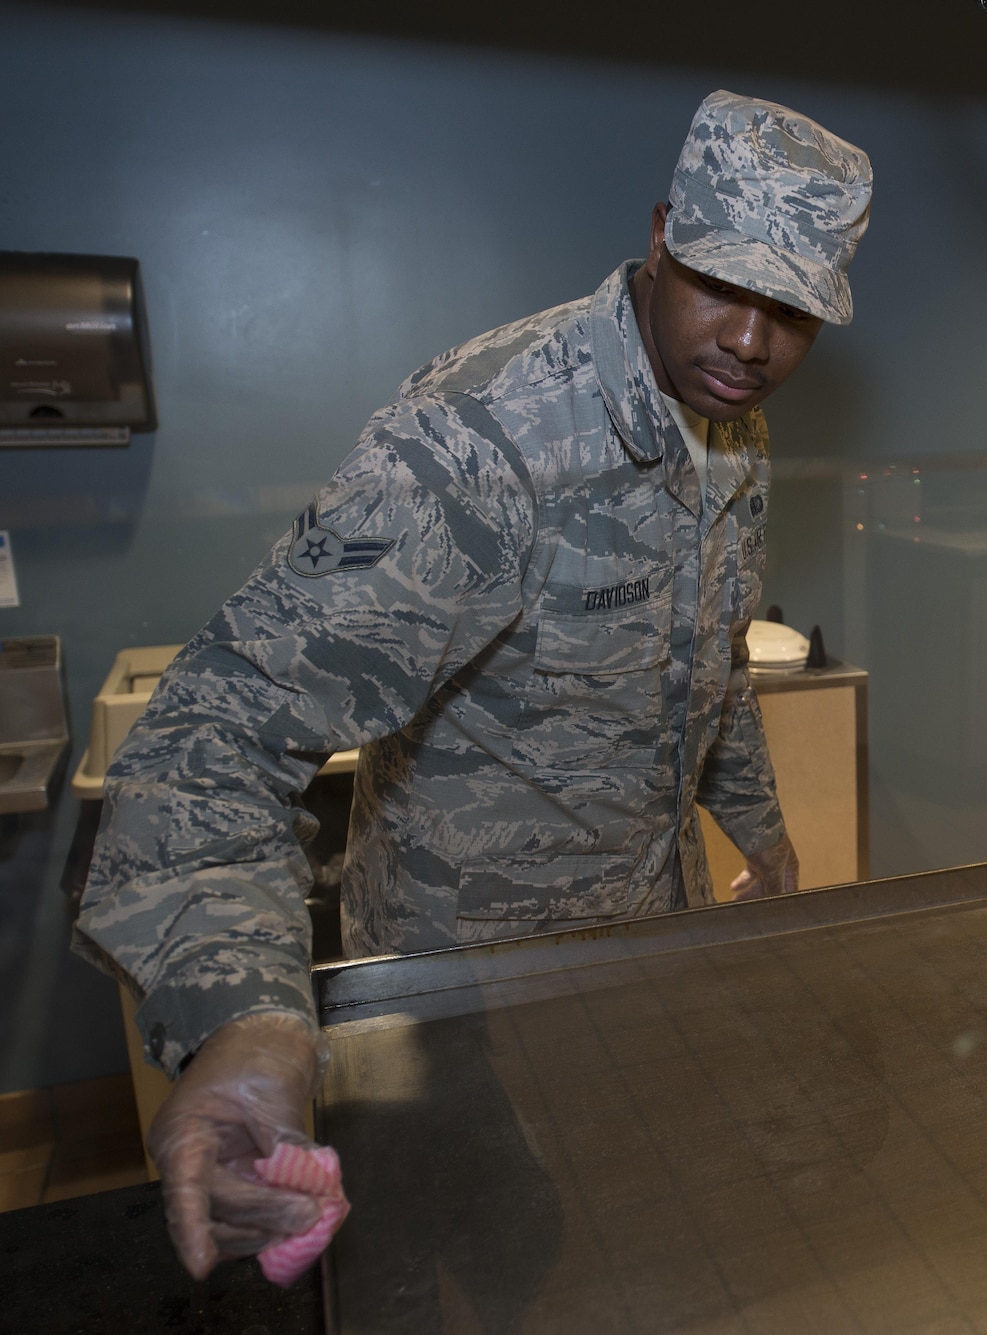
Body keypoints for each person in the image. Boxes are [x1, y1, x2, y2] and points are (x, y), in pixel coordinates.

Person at [74, 89, 873, 1280]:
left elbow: (706, 656)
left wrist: (761, 834)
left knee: (621, 1256)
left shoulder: (728, 424)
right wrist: (244, 1021)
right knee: (479, 1271)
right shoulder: (479, 441)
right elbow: (210, 740)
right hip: (463, 997)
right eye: (724, 286)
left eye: (793, 310)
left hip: (636, 955)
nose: (753, 343)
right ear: (660, 237)